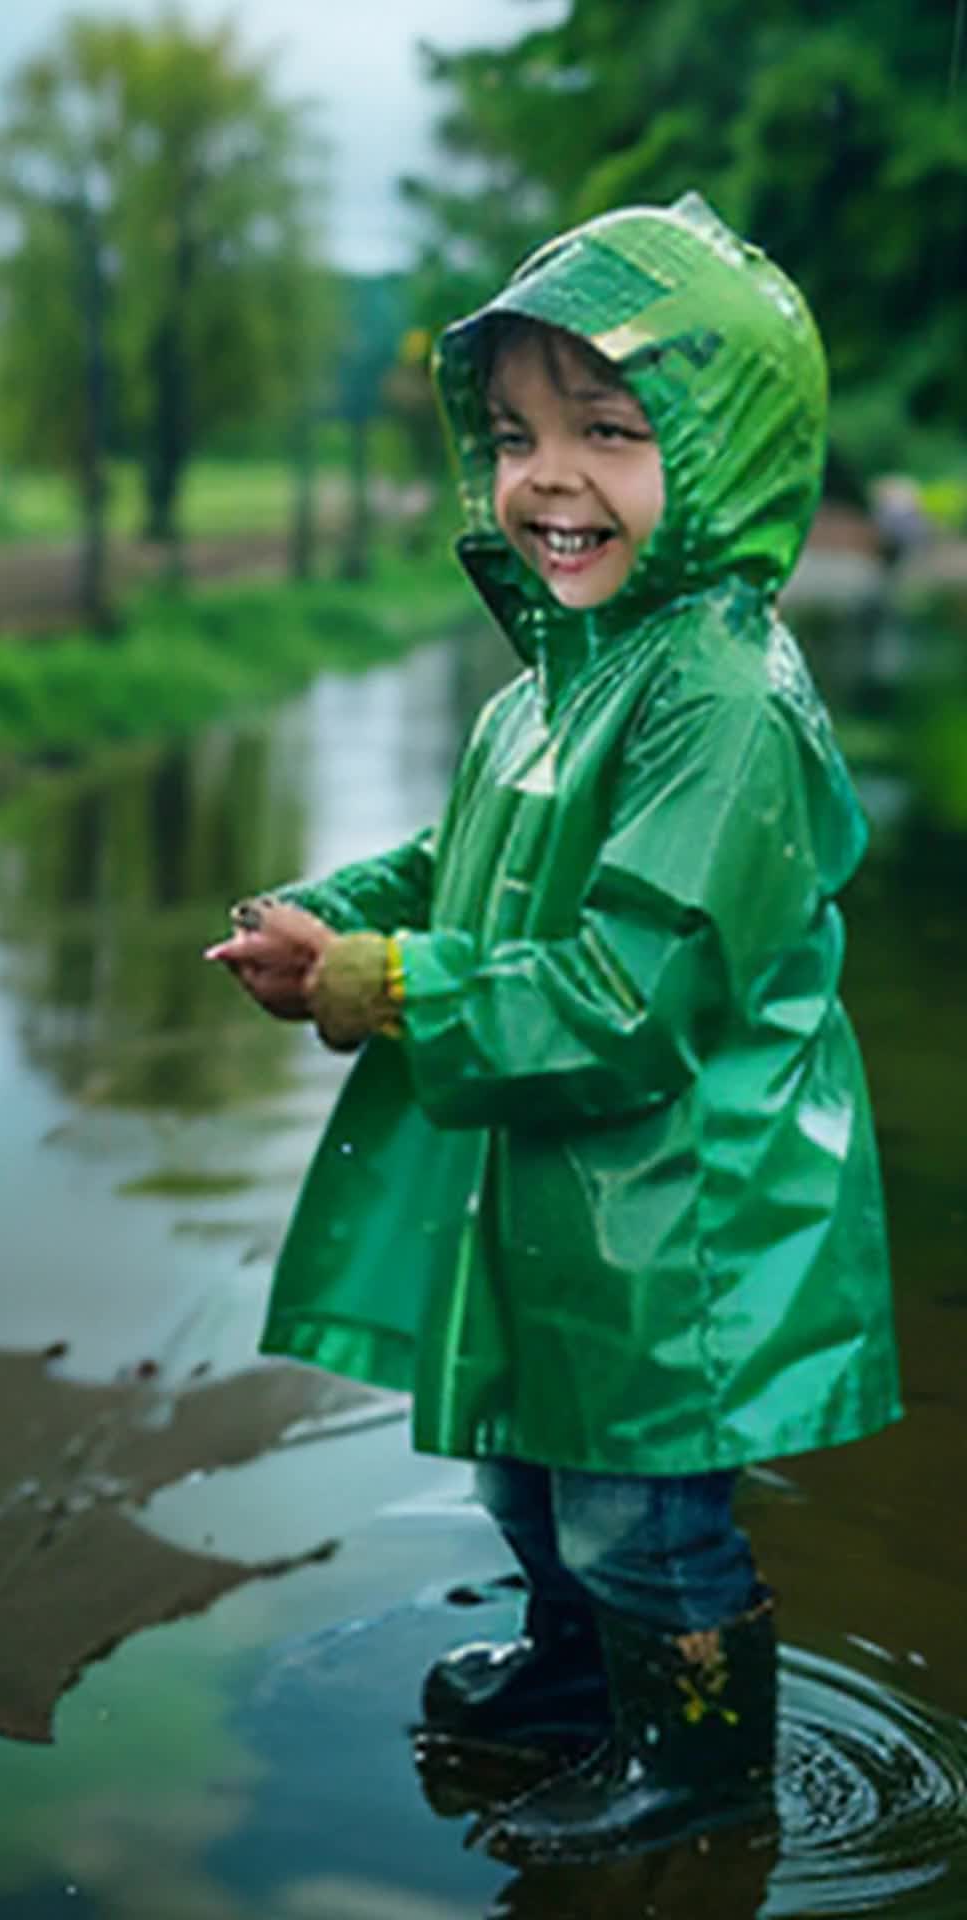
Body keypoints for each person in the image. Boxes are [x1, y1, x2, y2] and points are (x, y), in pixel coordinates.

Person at [205, 191, 901, 1853]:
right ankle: (587, 1684)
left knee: (645, 1522)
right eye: (515, 435)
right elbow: (468, 860)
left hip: (687, 1221)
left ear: (726, 455)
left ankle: (705, 1767)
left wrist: (381, 989)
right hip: (577, 1215)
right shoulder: (559, 678)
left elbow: (624, 991)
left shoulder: (719, 700)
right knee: (535, 1476)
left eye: (610, 429)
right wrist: (343, 910)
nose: (547, 480)